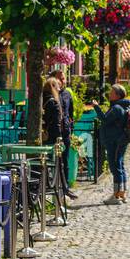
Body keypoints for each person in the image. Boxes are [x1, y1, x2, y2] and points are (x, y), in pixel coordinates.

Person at [97, 83, 130, 204]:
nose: (109, 94)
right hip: (119, 140)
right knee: (120, 165)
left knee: (115, 167)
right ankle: (122, 194)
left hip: (114, 141)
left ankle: (116, 196)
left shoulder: (117, 108)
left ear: (117, 95)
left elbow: (104, 119)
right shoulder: (122, 106)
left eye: (111, 92)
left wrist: (96, 107)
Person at [48, 69, 78, 200]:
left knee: (64, 160)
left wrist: (70, 129)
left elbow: (70, 113)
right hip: (52, 132)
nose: (63, 81)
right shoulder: (49, 94)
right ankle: (51, 187)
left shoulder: (67, 94)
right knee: (51, 160)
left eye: (64, 78)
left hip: (65, 131)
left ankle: (65, 188)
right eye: (60, 78)